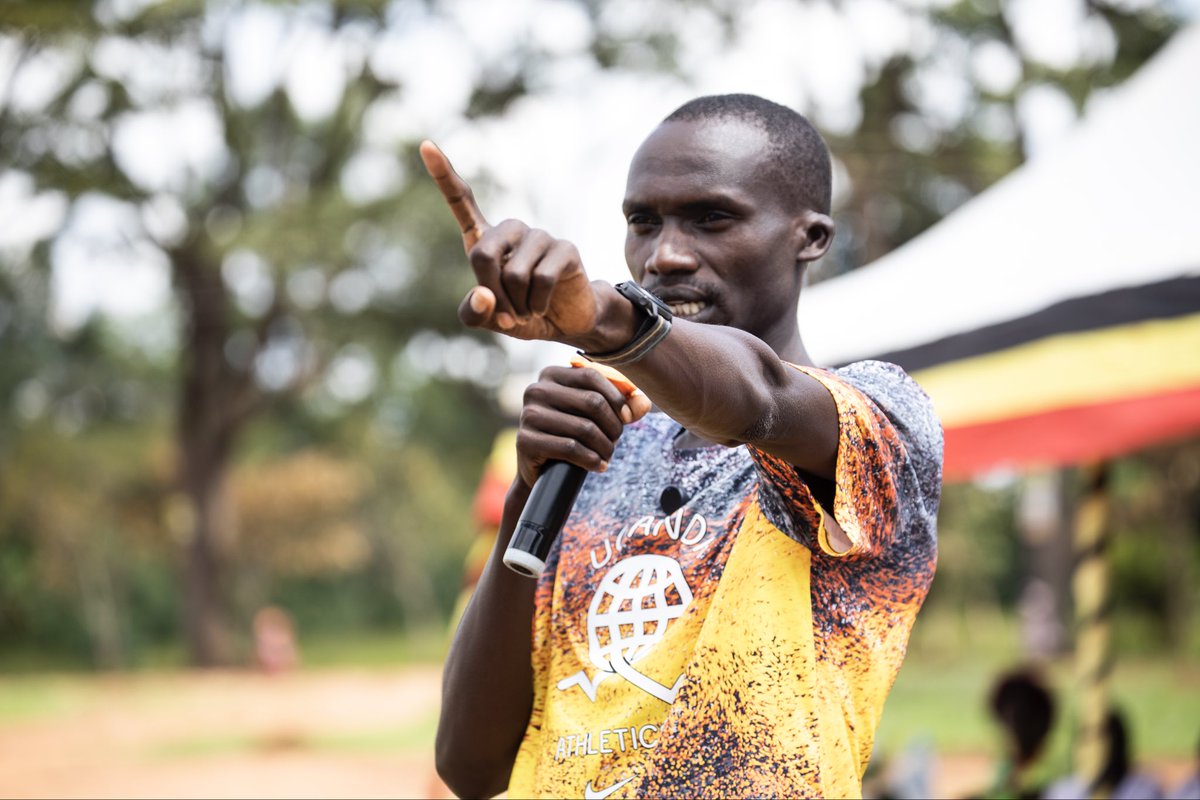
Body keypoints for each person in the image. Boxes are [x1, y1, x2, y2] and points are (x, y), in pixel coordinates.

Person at [424, 93, 943, 799]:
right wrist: (528, 492)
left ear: (811, 237)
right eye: (643, 222)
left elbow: (759, 394)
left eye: (712, 218)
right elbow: (470, 766)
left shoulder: (868, 428)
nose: (664, 255)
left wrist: (605, 319)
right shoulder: (600, 447)